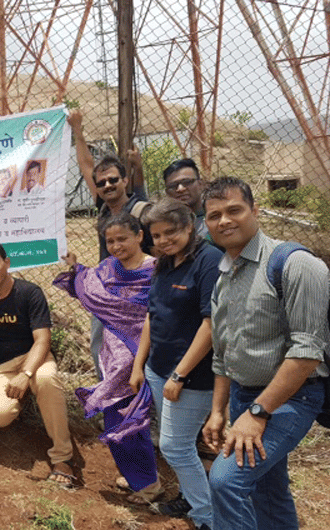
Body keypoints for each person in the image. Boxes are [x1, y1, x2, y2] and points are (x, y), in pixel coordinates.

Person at [201, 177, 329, 530]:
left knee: (227, 481)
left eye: (234, 210)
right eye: (214, 215)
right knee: (268, 492)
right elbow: (223, 353)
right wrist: (217, 411)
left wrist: (258, 412)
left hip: (291, 399)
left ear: (255, 211)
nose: (224, 221)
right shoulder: (225, 276)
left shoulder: (296, 264)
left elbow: (307, 352)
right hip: (244, 396)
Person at [54, 213, 160, 503]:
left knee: (134, 419)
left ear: (139, 235)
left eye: (122, 239)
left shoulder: (156, 270)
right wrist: (75, 267)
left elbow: (156, 314)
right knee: (115, 416)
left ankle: (149, 485)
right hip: (112, 358)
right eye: (110, 241)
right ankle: (137, 476)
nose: (115, 246)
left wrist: (138, 360)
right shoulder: (108, 268)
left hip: (142, 355)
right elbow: (88, 285)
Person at [129, 198, 222, 529]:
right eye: (156, 235)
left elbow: (211, 326)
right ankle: (188, 496)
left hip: (192, 376)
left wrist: (180, 374)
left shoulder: (209, 262)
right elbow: (153, 316)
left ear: (189, 227)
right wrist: (141, 365)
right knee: (180, 443)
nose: (164, 240)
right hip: (158, 370)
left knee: (175, 446)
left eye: (171, 232)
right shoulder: (164, 264)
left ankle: (207, 517)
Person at [0, 241, 78, 486]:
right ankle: (22, 397)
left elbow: (42, 339)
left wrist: (26, 374)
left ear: (7, 263)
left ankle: (62, 457)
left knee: (46, 379)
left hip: (33, 359)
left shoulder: (29, 292)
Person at [68, 109, 152, 380]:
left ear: (125, 181)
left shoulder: (139, 209)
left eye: (114, 179)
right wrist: (77, 129)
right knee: (101, 347)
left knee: (138, 350)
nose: (107, 185)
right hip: (107, 288)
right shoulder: (103, 208)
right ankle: (110, 395)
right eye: (102, 183)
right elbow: (86, 166)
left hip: (138, 291)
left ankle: (143, 409)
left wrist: (138, 165)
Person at [162, 158, 209, 239]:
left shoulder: (216, 218)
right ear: (167, 193)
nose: (180, 189)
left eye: (187, 182)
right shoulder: (164, 223)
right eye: (173, 186)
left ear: (201, 184)